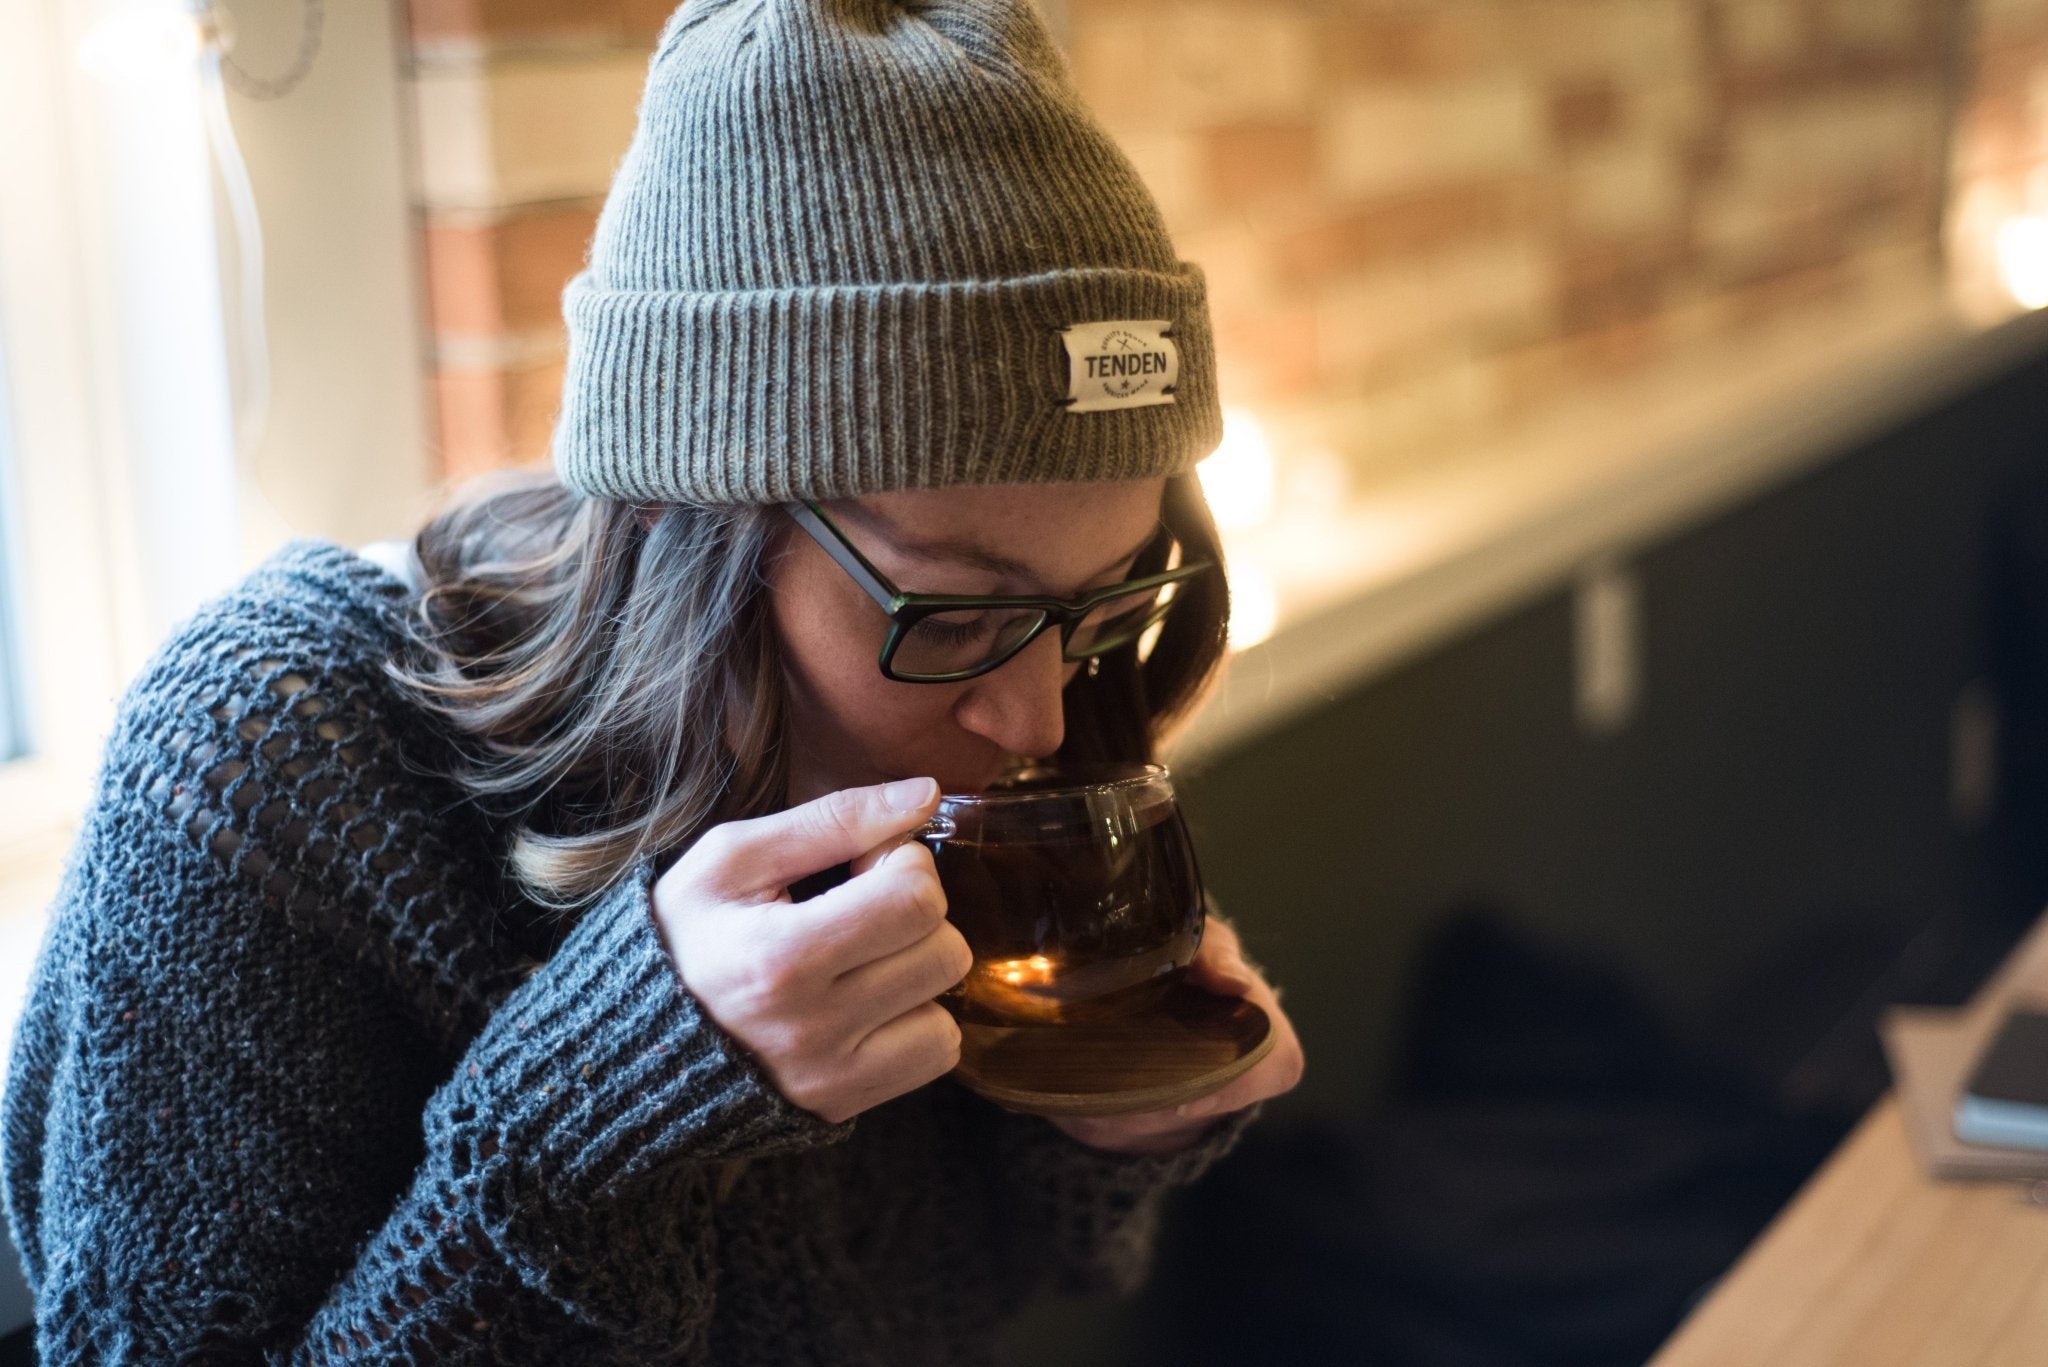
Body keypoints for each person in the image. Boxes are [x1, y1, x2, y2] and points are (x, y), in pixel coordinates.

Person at [0, 0, 1303, 1360]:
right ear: (695, 535)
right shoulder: (270, 756)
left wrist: (1102, 1135)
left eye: (1102, 598)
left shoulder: (1028, 730)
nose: (1034, 718)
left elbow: (939, 1298)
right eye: (961, 612)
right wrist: (605, 1117)